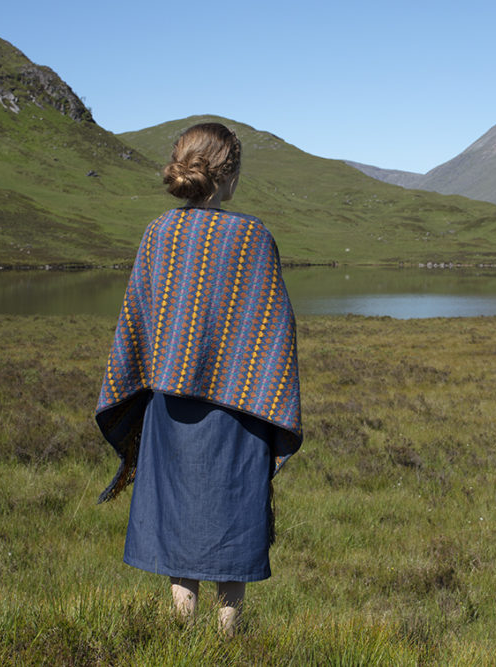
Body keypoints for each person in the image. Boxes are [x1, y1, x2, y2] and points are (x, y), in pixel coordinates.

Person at [95, 122, 302, 636]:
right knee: (233, 518)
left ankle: (180, 635)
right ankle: (226, 637)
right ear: (227, 174)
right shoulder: (251, 236)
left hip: (170, 407)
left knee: (180, 520)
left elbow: (136, 324)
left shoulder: (158, 233)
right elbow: (274, 330)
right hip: (240, 407)